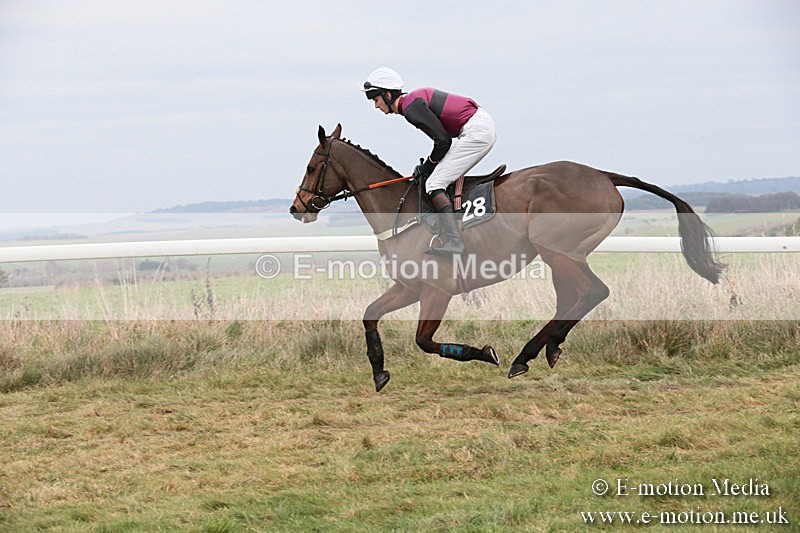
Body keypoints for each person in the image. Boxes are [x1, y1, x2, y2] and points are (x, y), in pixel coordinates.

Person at [362, 67, 497, 255]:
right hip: (475, 129)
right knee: (433, 176)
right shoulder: (412, 102)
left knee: (434, 182)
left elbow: (443, 141)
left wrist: (427, 165)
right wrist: (428, 165)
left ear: (387, 94)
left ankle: (454, 241)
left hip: (476, 132)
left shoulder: (411, 108)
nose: (376, 105)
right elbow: (442, 142)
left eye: (375, 99)